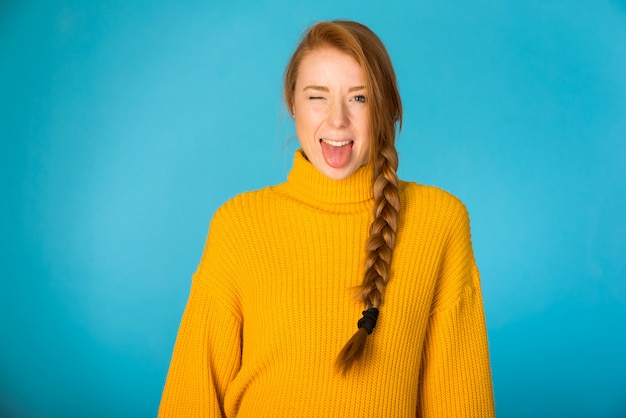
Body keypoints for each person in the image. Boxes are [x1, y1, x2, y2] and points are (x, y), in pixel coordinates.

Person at [159, 20, 495, 417]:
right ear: (293, 103)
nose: (337, 121)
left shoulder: (439, 222)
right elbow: (190, 398)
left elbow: (461, 403)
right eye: (318, 97)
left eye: (359, 98)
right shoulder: (238, 225)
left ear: (385, 107)